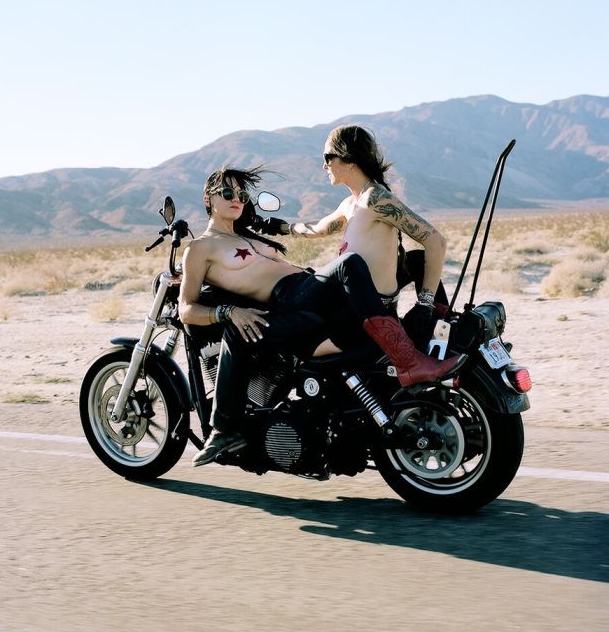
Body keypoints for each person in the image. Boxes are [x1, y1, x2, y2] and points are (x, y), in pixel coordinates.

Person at [178, 166, 466, 467]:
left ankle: (436, 333)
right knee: (349, 263)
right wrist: (228, 312)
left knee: (414, 261)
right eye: (227, 192)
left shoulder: (247, 237)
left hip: (308, 292)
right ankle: (408, 360)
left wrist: (281, 227)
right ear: (208, 198)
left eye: (241, 193)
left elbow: (312, 230)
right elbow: (187, 310)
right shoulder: (200, 248)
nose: (236, 198)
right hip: (290, 301)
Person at [255, 124, 450, 349]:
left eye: (328, 157)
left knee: (291, 340)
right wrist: (281, 228)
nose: (324, 165)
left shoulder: (375, 198)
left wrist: (425, 305)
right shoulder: (351, 205)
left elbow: (436, 241)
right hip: (355, 308)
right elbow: (317, 229)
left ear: (349, 159)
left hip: (366, 314)